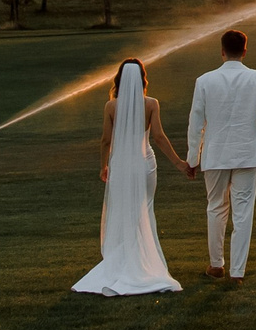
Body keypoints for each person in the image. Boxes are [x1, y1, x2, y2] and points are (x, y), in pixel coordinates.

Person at [72, 58, 193, 297]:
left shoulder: (111, 106)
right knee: (143, 211)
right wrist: (179, 163)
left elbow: (105, 140)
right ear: (142, 80)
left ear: (119, 80)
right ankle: (144, 263)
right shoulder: (151, 104)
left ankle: (126, 261)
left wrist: (104, 166)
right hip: (144, 164)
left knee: (124, 213)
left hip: (120, 165)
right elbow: (158, 137)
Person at [184, 28, 256, 284]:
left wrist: (193, 158)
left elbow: (196, 123)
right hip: (247, 154)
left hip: (215, 154)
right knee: (243, 213)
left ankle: (216, 265)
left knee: (215, 208)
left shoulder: (204, 81)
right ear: (245, 51)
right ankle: (237, 271)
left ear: (222, 51)